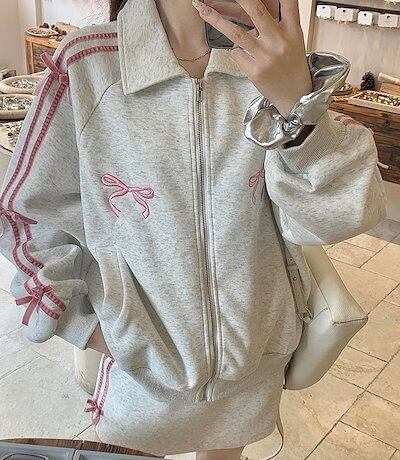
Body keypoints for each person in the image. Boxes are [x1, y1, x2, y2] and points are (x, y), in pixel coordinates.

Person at [0, 0, 387, 459]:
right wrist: (101, 329)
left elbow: (336, 216)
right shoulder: (88, 64)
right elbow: (27, 214)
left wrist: (296, 105)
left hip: (254, 366)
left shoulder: (277, 68)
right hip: (141, 380)